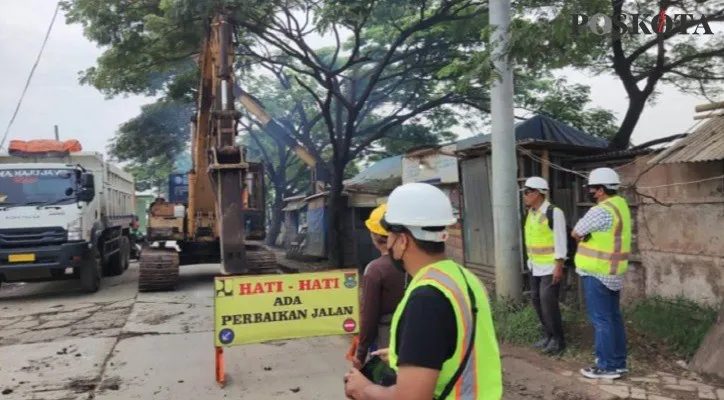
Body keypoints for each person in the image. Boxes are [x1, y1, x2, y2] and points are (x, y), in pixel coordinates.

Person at [344, 182, 502, 400]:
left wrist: (363, 389)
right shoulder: (464, 278)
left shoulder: (425, 298)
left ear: (402, 240)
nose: (387, 243)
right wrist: (408, 356)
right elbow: (460, 345)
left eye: (389, 236)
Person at [572, 167, 630, 380]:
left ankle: (606, 366)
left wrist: (585, 238)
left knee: (601, 320)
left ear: (600, 190)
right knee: (613, 318)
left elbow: (577, 231)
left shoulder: (600, 210)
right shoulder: (621, 206)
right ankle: (618, 362)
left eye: (592, 188)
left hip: (597, 272)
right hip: (613, 272)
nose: (590, 192)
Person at [353, 203, 407, 369]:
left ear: (375, 236)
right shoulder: (414, 263)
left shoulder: (375, 269)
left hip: (386, 338)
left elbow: (369, 316)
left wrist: (360, 354)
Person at [521, 176, 567, 355]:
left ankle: (558, 340)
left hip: (550, 267)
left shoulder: (554, 212)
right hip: (535, 266)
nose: (524, 196)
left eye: (526, 192)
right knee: (537, 301)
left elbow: (560, 240)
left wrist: (559, 265)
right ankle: (548, 336)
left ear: (536, 193)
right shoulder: (531, 214)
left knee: (548, 303)